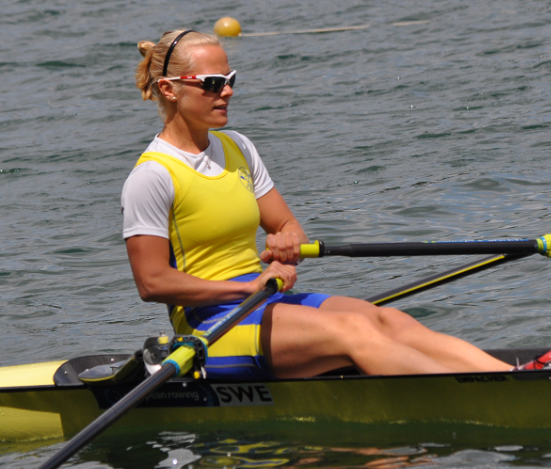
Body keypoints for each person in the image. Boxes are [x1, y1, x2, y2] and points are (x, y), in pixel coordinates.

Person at [122, 29, 512, 379]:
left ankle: (515, 378)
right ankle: (478, 400)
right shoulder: (152, 176)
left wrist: (287, 245)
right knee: (355, 331)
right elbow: (152, 282)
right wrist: (247, 288)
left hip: (266, 298)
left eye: (230, 80)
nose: (227, 91)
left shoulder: (237, 147)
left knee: (388, 319)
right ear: (169, 90)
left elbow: (286, 226)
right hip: (212, 325)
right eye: (211, 83)